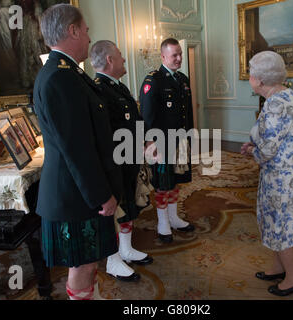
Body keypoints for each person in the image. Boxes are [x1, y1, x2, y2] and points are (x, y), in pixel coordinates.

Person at [34, 4, 123, 300]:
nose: (88, 37)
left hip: (77, 192)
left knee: (88, 262)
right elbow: (77, 148)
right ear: (72, 31)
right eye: (85, 30)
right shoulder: (60, 77)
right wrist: (101, 194)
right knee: (82, 265)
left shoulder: (68, 72)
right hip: (75, 195)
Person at [241, 51, 293, 297]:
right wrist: (255, 147)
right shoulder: (289, 95)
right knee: (276, 222)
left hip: (283, 178)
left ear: (260, 80)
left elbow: (269, 148)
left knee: (281, 226)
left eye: (251, 73)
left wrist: (252, 152)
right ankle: (277, 267)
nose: (249, 77)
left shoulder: (274, 104)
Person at [90, 40, 153, 282]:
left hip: (129, 159)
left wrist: (147, 139)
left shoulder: (119, 87)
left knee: (128, 206)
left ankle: (126, 249)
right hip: (115, 162)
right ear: (109, 60)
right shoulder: (99, 90)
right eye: (120, 55)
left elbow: (135, 118)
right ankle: (113, 260)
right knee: (116, 212)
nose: (124, 59)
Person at [139, 38, 195, 244]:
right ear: (163, 57)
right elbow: (146, 115)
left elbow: (187, 112)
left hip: (180, 141)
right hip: (161, 142)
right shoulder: (153, 80)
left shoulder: (183, 79)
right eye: (175, 55)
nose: (180, 58)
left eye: (180, 54)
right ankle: (163, 223)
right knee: (163, 184)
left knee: (176, 181)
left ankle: (173, 217)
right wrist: (149, 143)